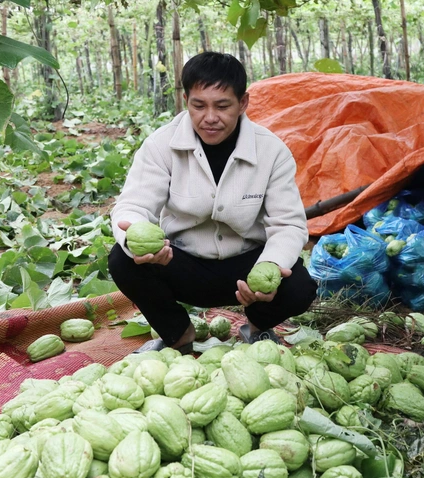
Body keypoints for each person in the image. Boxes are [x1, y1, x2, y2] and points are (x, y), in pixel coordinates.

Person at [108, 51, 317, 353]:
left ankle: (257, 328)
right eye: (199, 105)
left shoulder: (271, 151)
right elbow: (134, 205)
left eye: (222, 106)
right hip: (181, 262)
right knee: (122, 259)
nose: (210, 117)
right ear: (185, 101)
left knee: (299, 286)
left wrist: (270, 267)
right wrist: (136, 235)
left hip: (247, 268)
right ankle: (178, 335)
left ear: (243, 103)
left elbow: (288, 225)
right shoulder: (160, 145)